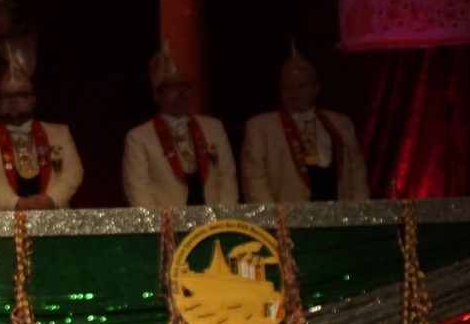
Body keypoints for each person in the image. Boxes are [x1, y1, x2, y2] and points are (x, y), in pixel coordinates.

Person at [0, 44, 84, 211]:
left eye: (21, 95)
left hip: (51, 215)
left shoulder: (60, 133)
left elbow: (74, 172)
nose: (14, 100)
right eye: (7, 96)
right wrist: (13, 203)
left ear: (33, 99)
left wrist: (51, 199)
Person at [240, 44, 370, 204]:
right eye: (288, 87)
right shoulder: (260, 127)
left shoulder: (342, 124)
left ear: (316, 88)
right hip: (287, 215)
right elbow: (254, 181)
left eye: (301, 86)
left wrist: (360, 210)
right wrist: (272, 215)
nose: (294, 93)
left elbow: (358, 174)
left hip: (340, 213)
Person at [122, 40, 238, 210]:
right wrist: (161, 223)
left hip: (214, 220)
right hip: (167, 222)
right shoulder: (139, 138)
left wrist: (224, 217)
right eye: (172, 87)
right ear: (157, 95)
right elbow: (138, 190)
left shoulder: (214, 128)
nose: (181, 92)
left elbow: (227, 177)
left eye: (185, 86)